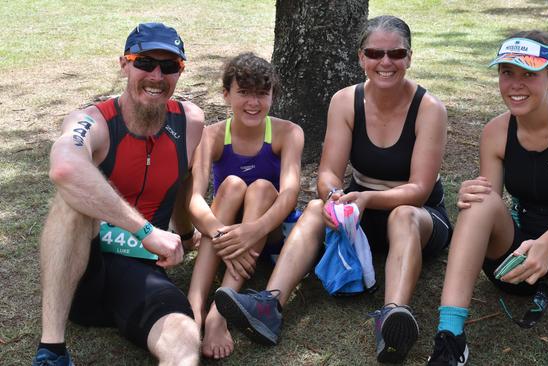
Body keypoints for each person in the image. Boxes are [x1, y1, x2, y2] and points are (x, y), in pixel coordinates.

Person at [213, 15, 452, 364]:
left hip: (420, 217)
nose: (385, 62)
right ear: (361, 58)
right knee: (312, 210)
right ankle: (270, 305)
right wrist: (334, 195)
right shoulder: (345, 101)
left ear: (409, 57)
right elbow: (328, 172)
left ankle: (392, 316)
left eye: (396, 53)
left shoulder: (429, 109)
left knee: (402, 215)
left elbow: (418, 189)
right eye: (375, 53)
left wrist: (369, 197)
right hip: (361, 213)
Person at [425, 30, 548, 366]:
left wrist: (546, 244)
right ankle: (450, 337)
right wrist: (472, 194)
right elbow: (491, 203)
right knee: (480, 198)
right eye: (507, 73)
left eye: (529, 74)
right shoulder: (497, 131)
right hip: (515, 268)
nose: (515, 85)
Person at [32, 22, 205, 366]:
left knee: (184, 340)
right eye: (144, 62)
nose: (157, 75)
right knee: (70, 203)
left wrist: (186, 234)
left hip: (142, 274)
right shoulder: (92, 120)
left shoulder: (191, 122)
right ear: (124, 64)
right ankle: (52, 350)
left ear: (179, 72)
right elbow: (65, 168)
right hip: (82, 273)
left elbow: (184, 184)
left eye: (169, 67)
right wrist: (146, 231)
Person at [185, 52, 303, 359]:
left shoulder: (288, 132)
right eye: (244, 93)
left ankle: (218, 313)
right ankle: (194, 306)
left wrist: (253, 230)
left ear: (273, 96)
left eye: (262, 94)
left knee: (263, 188)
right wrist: (221, 233)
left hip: (269, 232)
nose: (253, 103)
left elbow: (290, 193)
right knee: (233, 185)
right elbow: (194, 198)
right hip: (226, 239)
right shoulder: (211, 136)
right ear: (226, 94)